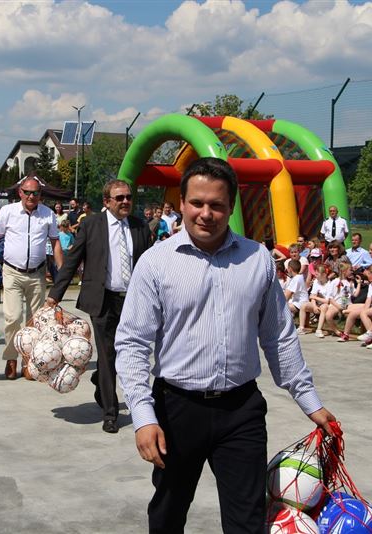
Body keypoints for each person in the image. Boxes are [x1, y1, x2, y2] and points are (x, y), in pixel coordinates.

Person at [114, 158, 335, 533]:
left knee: (247, 521)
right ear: (181, 203)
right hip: (177, 410)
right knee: (168, 513)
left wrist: (309, 400)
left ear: (231, 206)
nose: (206, 213)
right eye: (197, 203)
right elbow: (133, 343)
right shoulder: (155, 263)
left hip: (241, 411)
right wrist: (143, 416)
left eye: (216, 205)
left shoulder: (257, 259)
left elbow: (279, 336)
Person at [46, 180, 152, 433]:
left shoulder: (139, 226)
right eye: (119, 198)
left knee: (127, 354)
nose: (125, 201)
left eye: (128, 197)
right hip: (103, 300)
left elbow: (149, 264)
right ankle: (110, 412)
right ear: (107, 201)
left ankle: (100, 379)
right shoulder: (92, 225)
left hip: (132, 301)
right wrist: (55, 295)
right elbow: (73, 259)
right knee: (106, 354)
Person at [0, 175, 63, 379]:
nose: (31, 196)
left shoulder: (48, 214)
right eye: (27, 192)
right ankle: (11, 359)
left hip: (37, 273)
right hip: (12, 272)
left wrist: (62, 273)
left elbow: (55, 243)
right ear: (20, 193)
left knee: (35, 320)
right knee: (13, 318)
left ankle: (29, 361)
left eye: (35, 193)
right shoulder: (7, 211)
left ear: (40, 194)